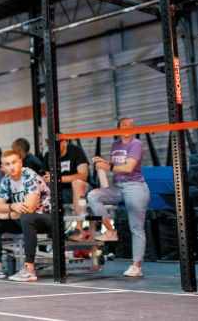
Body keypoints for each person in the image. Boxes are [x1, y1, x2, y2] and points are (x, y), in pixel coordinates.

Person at [89, 117, 150, 277]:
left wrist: (107, 166)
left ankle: (136, 265)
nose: (128, 127)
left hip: (135, 186)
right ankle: (110, 231)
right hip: (118, 187)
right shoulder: (115, 144)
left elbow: (129, 167)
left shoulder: (136, 144)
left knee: (136, 227)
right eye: (124, 125)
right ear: (118, 128)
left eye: (131, 125)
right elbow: (116, 163)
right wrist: (104, 162)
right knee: (93, 196)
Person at [0, 150, 52, 282]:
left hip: (47, 218)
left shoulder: (29, 175)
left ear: (20, 162)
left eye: (14, 162)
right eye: (7, 164)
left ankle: (29, 269)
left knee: (27, 217)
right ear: (3, 167)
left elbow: (30, 208)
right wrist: (11, 207)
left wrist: (6, 215)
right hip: (23, 219)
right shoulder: (6, 180)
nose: (12, 167)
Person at [41, 137, 89, 240]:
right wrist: (44, 179)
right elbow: (44, 177)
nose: (55, 146)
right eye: (52, 144)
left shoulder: (76, 151)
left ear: (65, 141)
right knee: (40, 188)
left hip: (80, 189)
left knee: (77, 183)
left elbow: (83, 176)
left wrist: (56, 178)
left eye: (58, 143)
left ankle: (79, 229)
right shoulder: (48, 156)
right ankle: (49, 231)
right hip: (59, 191)